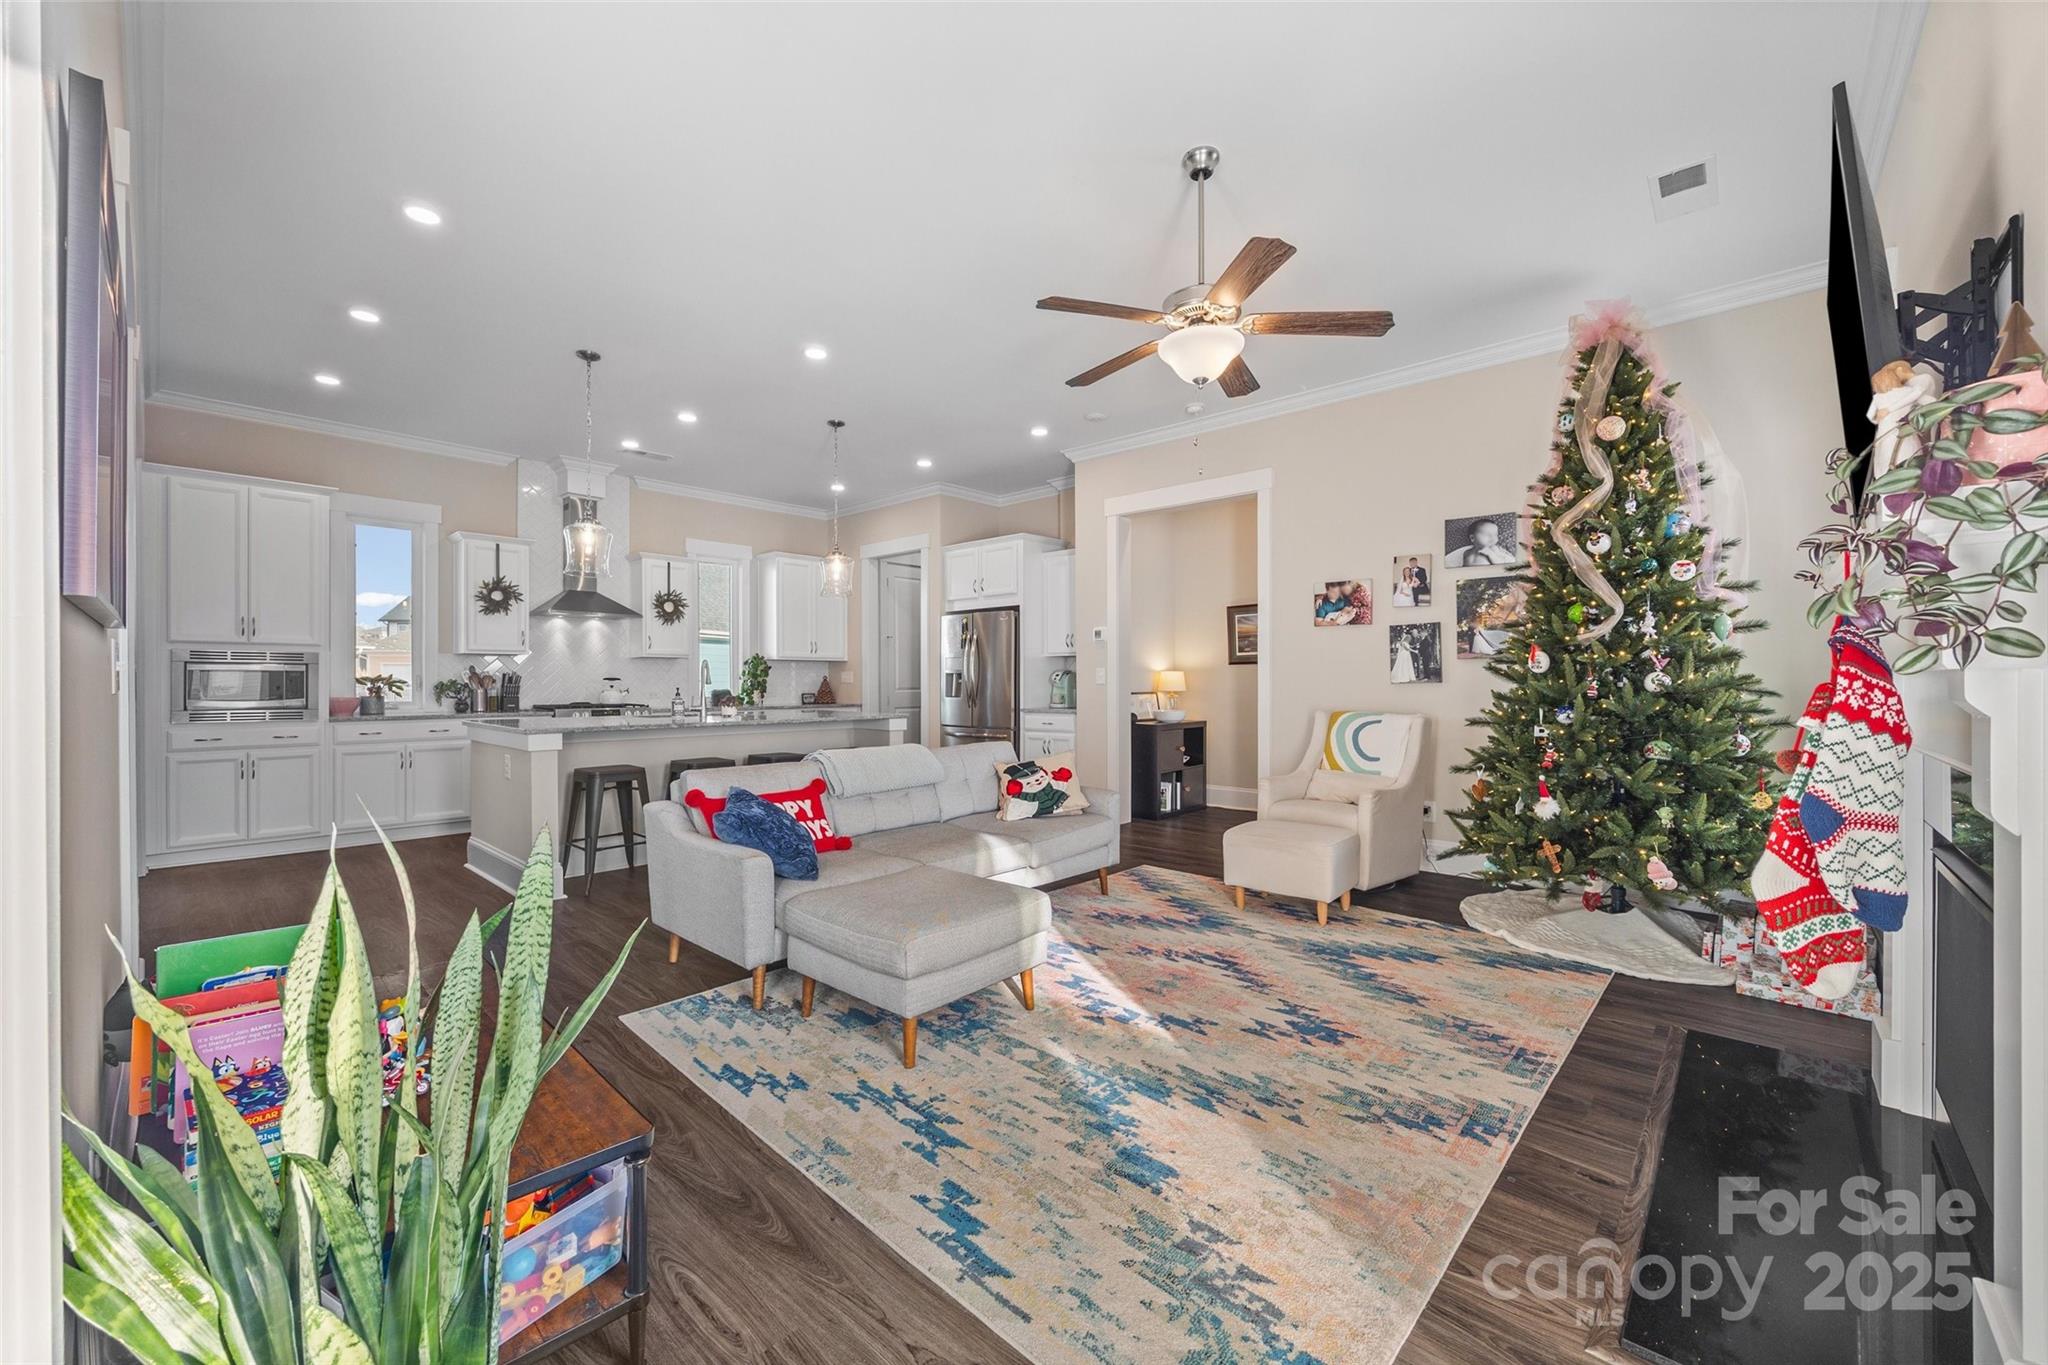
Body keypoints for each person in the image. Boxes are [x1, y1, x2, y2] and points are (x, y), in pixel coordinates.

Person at [1447, 519, 1516, 567]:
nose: (1492, 537)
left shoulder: (1493, 549)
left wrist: (1491, 555)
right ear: (1472, 538)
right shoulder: (1466, 552)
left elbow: (1501, 564)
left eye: (1495, 534)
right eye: (1487, 534)